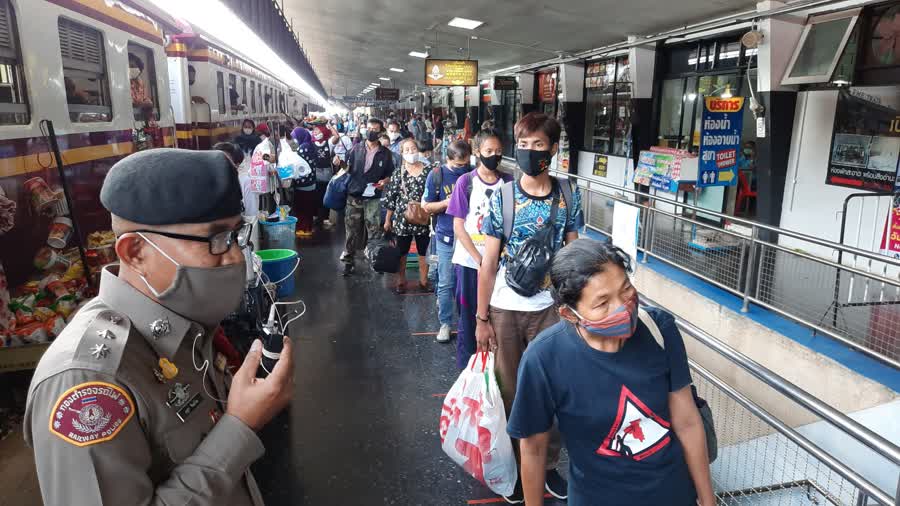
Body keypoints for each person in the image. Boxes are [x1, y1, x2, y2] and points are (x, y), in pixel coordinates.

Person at [24, 149, 294, 505]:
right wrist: (239, 428)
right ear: (135, 251)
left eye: (235, 236)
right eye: (215, 239)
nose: (232, 257)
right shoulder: (89, 381)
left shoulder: (188, 326)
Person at [508, 239, 715, 506]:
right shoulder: (544, 359)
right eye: (602, 303)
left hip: (673, 494)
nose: (622, 307)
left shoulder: (660, 329)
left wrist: (708, 500)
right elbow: (534, 449)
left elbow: (687, 421)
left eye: (626, 289)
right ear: (569, 314)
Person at [475, 112, 583, 503]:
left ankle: (546, 466)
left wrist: (577, 307)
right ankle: (519, 467)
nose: (529, 151)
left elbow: (573, 253)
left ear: (553, 150)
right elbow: (488, 264)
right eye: (523, 144)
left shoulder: (568, 193)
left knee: (552, 392)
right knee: (510, 393)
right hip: (504, 308)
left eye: (538, 145)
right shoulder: (501, 197)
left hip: (550, 309)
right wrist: (481, 318)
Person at [446, 129, 512, 369]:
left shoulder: (509, 183)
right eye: (488, 151)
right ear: (477, 152)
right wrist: (479, 258)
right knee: (470, 319)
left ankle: (496, 370)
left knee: (498, 318)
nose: (494, 156)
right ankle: (469, 370)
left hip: (500, 265)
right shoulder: (466, 182)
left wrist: (495, 259)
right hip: (469, 264)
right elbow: (458, 225)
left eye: (498, 152)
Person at [423, 140, 472, 343]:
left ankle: (466, 323)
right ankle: (445, 323)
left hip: (470, 238)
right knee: (445, 282)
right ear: (449, 159)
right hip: (447, 236)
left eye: (466, 164)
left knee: (466, 283)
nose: (463, 168)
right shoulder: (437, 176)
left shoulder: (472, 175)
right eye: (459, 165)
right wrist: (446, 203)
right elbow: (426, 206)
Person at [341, 117, 395, 276]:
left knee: (374, 229)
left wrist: (385, 181)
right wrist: (340, 164)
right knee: (352, 230)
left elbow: (390, 174)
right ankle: (348, 260)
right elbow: (347, 169)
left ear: (380, 132)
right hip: (354, 195)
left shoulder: (386, 154)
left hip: (373, 196)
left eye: (375, 129)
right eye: (369, 128)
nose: (371, 131)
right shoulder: (355, 149)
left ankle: (374, 259)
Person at [382, 139, 432, 294]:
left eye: (414, 149)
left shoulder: (429, 171)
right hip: (402, 218)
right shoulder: (399, 172)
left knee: (424, 251)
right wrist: (387, 219)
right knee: (401, 251)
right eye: (407, 150)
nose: (411, 152)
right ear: (402, 153)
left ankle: (424, 281)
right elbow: (392, 197)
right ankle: (401, 281)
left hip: (424, 216)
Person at [291, 127, 318, 238]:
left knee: (302, 207)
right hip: (311, 182)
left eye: (295, 137)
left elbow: (296, 164)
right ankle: (308, 228)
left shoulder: (303, 148)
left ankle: (303, 229)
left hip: (303, 183)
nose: (294, 140)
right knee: (308, 207)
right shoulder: (310, 145)